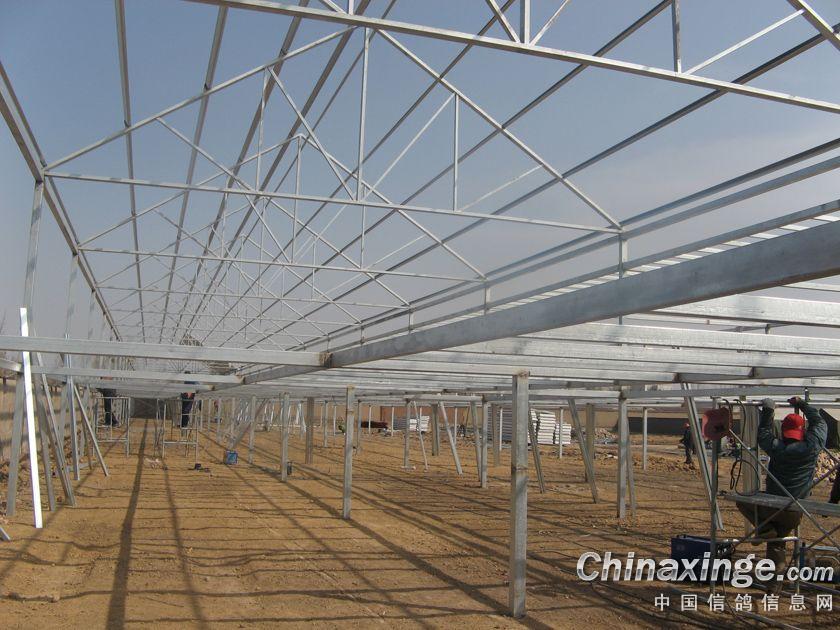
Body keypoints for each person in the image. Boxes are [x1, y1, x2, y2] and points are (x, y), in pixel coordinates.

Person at [736, 396, 827, 577]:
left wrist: (768, 410)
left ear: (784, 431)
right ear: (802, 431)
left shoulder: (777, 447)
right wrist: (802, 404)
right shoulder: (812, 447)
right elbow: (820, 423)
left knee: (743, 501)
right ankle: (773, 583)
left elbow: (764, 435)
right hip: (795, 512)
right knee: (777, 541)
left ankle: (764, 530)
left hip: (772, 506)